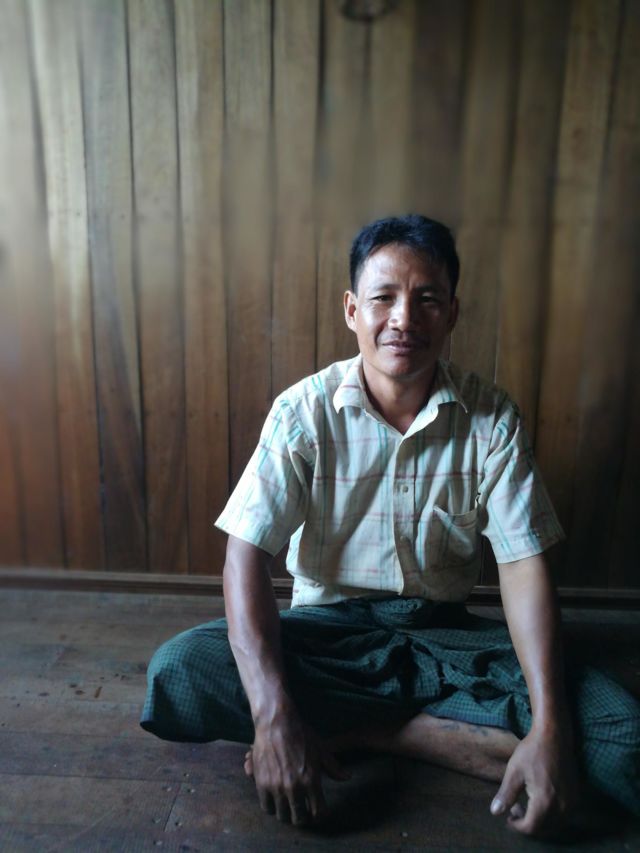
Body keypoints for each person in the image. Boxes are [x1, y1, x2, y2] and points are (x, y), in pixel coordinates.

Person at [141, 215, 640, 837]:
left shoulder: (492, 419)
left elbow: (522, 567)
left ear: (452, 313)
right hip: (330, 641)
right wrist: (272, 716)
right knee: (183, 668)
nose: (404, 319)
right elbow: (244, 558)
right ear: (353, 310)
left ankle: (368, 733)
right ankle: (427, 735)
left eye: (427, 299)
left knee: (621, 732)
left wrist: (550, 728)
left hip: (445, 643)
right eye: (383, 298)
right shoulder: (302, 413)